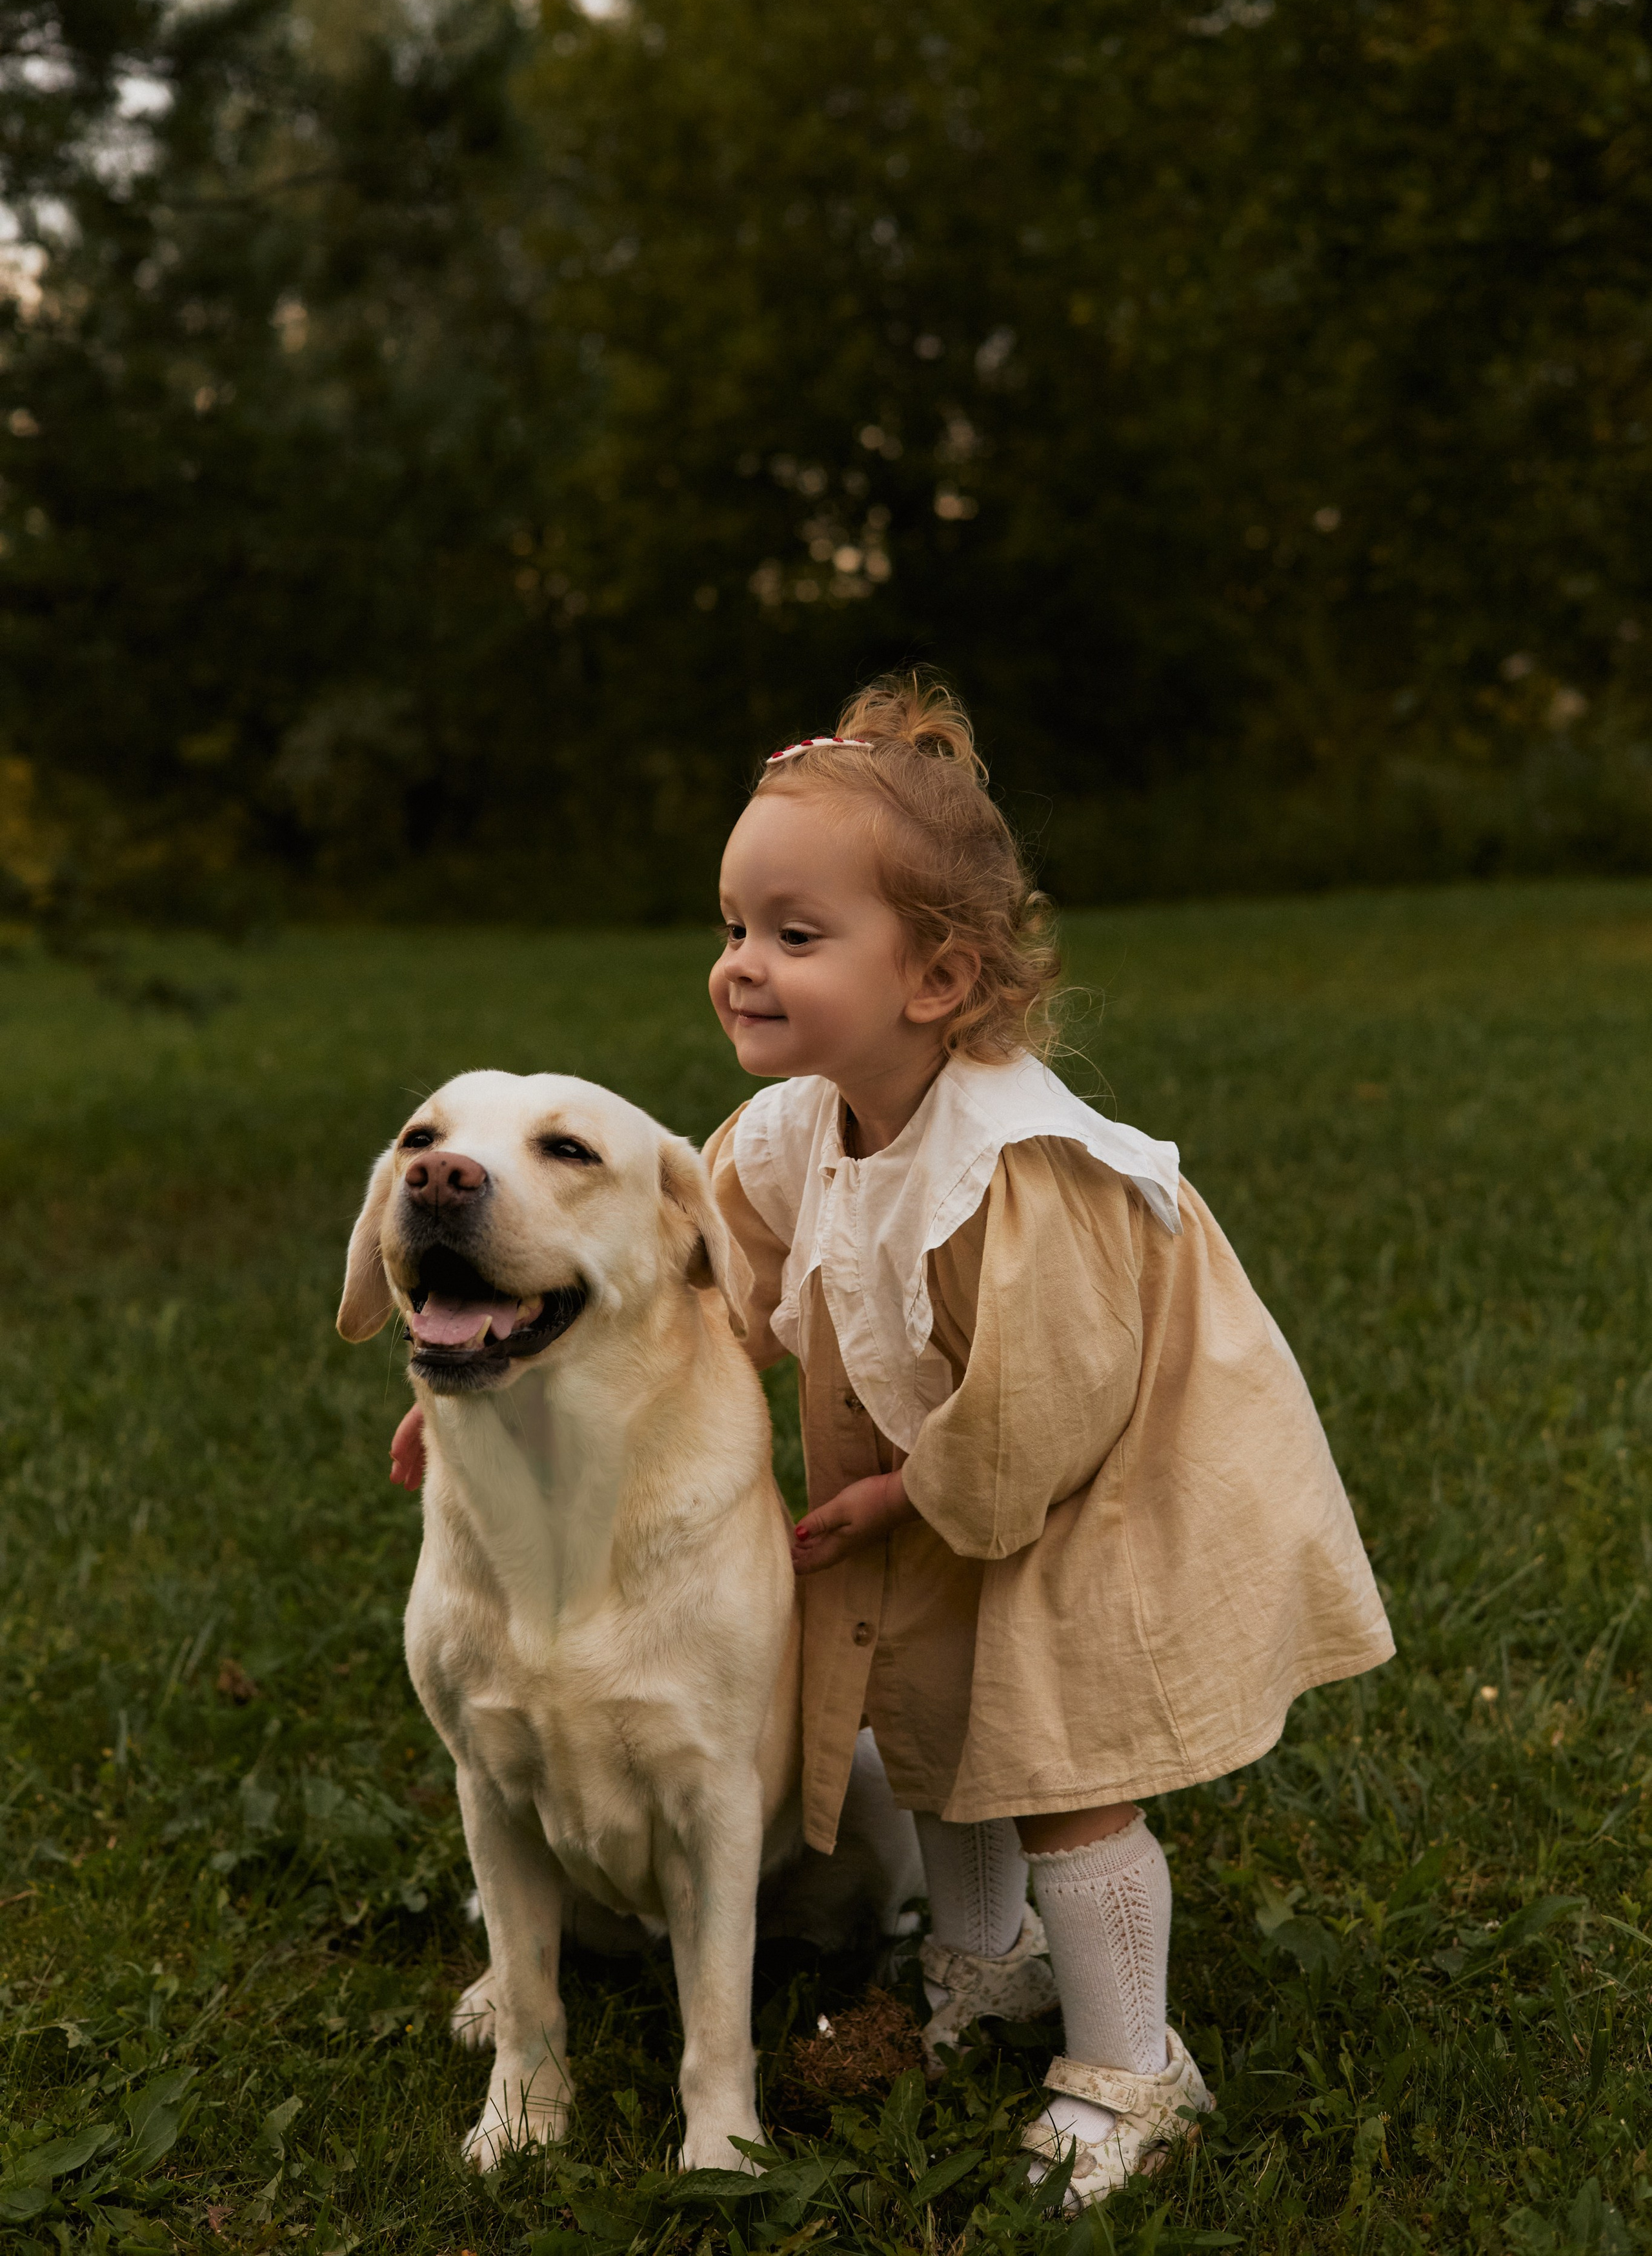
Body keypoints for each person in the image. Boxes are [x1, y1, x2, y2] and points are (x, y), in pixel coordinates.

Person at [386, 673, 1393, 2206]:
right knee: (933, 1723)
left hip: (1094, 1480)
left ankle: (1133, 2063)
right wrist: (477, 1362)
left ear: (936, 979)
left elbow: (1045, 1400)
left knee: (1062, 1757)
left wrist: (895, 1499)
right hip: (943, 1480)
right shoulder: (796, 1124)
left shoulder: (1018, 1166)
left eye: (796, 937)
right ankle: (979, 1963)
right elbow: (672, 1285)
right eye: (733, 928)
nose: (741, 968)